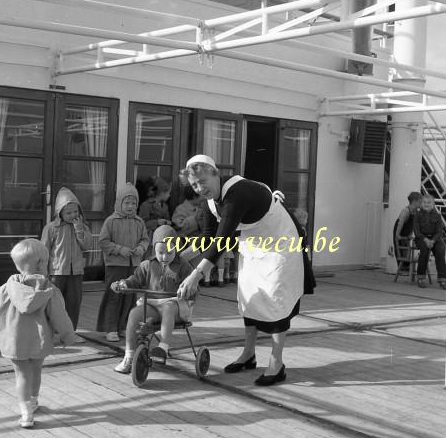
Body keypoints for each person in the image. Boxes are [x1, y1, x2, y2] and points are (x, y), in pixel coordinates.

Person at [177, 154, 315, 386]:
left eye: (203, 181)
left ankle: (276, 363)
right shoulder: (210, 202)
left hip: (281, 245)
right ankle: (248, 354)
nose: (200, 188)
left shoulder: (236, 194)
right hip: (255, 245)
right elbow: (208, 238)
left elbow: (221, 242)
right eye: (194, 185)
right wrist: (178, 257)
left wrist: (195, 275)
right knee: (249, 298)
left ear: (215, 174)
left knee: (275, 302)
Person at [0, 239, 76, 428]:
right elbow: (60, 317)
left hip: (14, 341)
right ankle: (32, 402)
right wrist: (68, 336)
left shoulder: (5, 289)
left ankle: (25, 414)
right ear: (41, 263)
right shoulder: (50, 291)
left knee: (21, 375)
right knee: (36, 371)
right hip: (39, 341)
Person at [111, 224, 195, 373]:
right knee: (134, 314)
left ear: (176, 248)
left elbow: (193, 286)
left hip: (177, 305)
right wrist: (124, 284)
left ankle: (162, 347)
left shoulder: (184, 266)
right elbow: (135, 280)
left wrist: (188, 291)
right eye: (160, 252)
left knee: (168, 306)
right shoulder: (147, 265)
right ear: (153, 249)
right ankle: (129, 355)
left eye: (170, 252)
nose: (164, 257)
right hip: (154, 304)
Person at [96, 182, 149, 342]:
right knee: (115, 295)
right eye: (127, 203)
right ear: (119, 203)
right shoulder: (110, 221)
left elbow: (145, 239)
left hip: (134, 266)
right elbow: (103, 241)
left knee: (130, 297)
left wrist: (141, 248)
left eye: (134, 203)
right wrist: (120, 249)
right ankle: (110, 328)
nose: (130, 206)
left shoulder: (139, 222)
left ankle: (124, 327)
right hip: (115, 265)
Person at [40, 187, 92, 341]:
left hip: (76, 272)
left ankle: (70, 333)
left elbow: (86, 246)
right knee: (54, 305)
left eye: (75, 212)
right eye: (68, 213)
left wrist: (79, 230)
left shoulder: (82, 227)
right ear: (59, 212)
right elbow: (44, 251)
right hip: (56, 273)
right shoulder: (51, 228)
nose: (73, 216)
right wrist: (43, 272)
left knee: (74, 303)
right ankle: (52, 333)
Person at [413, 195, 446, 289]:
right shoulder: (417, 215)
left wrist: (432, 240)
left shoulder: (437, 215)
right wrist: (426, 240)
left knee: (441, 250)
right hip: (421, 238)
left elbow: (439, 231)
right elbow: (417, 231)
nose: (426, 204)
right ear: (421, 203)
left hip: (434, 239)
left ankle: (442, 279)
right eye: (424, 202)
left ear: (433, 204)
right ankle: (421, 277)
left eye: (429, 203)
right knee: (424, 251)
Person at [393, 191, 422, 270]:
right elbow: (400, 223)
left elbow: (413, 225)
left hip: (407, 231)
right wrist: (397, 234)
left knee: (406, 248)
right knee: (400, 248)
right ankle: (402, 266)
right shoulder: (406, 211)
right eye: (420, 202)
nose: (421, 204)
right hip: (400, 229)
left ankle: (406, 267)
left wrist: (410, 234)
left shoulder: (416, 212)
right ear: (414, 202)